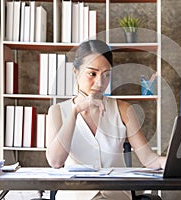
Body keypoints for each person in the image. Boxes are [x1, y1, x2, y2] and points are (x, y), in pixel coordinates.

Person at [46, 39, 166, 200]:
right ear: (75, 72)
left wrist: (170, 162)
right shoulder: (58, 112)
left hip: (115, 196)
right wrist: (75, 111)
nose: (100, 83)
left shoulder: (123, 109)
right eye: (92, 74)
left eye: (106, 75)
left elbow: (149, 159)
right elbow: (55, 161)